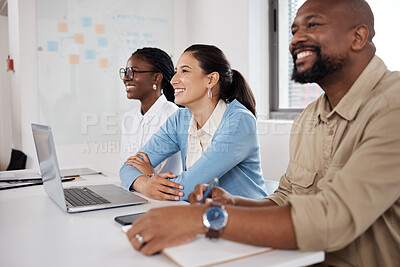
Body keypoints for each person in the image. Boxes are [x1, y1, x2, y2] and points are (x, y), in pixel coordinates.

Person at [125, 0, 400, 266]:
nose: (295, 40)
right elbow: (285, 198)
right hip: (285, 258)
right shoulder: (308, 118)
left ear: (358, 36)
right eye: (293, 31)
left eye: (312, 25)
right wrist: (232, 204)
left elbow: (332, 218)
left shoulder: (393, 105)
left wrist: (201, 218)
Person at [120, 44, 268, 201]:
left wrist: (149, 177)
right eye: (176, 72)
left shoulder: (239, 121)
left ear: (210, 80)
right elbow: (128, 168)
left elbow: (188, 188)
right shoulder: (180, 119)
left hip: (246, 219)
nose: (173, 80)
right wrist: (145, 184)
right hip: (204, 216)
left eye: (184, 71)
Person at [119, 47, 182, 180]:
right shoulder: (128, 118)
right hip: (133, 189)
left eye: (132, 72)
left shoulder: (172, 115)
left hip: (163, 196)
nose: (125, 78)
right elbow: (125, 166)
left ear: (156, 78)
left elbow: (145, 168)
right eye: (125, 72)